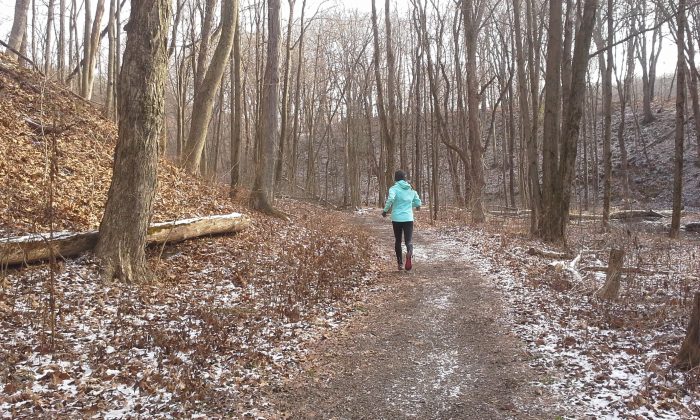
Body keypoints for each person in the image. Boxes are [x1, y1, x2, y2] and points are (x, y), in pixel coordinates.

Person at [382, 170, 422, 271]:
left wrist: (385, 210)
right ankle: (409, 250)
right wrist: (409, 205)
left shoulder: (394, 189)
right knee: (408, 240)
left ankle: (400, 263)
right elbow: (418, 203)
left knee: (398, 241)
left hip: (396, 218)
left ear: (395, 178)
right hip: (408, 218)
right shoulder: (411, 188)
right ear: (405, 178)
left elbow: (390, 199)